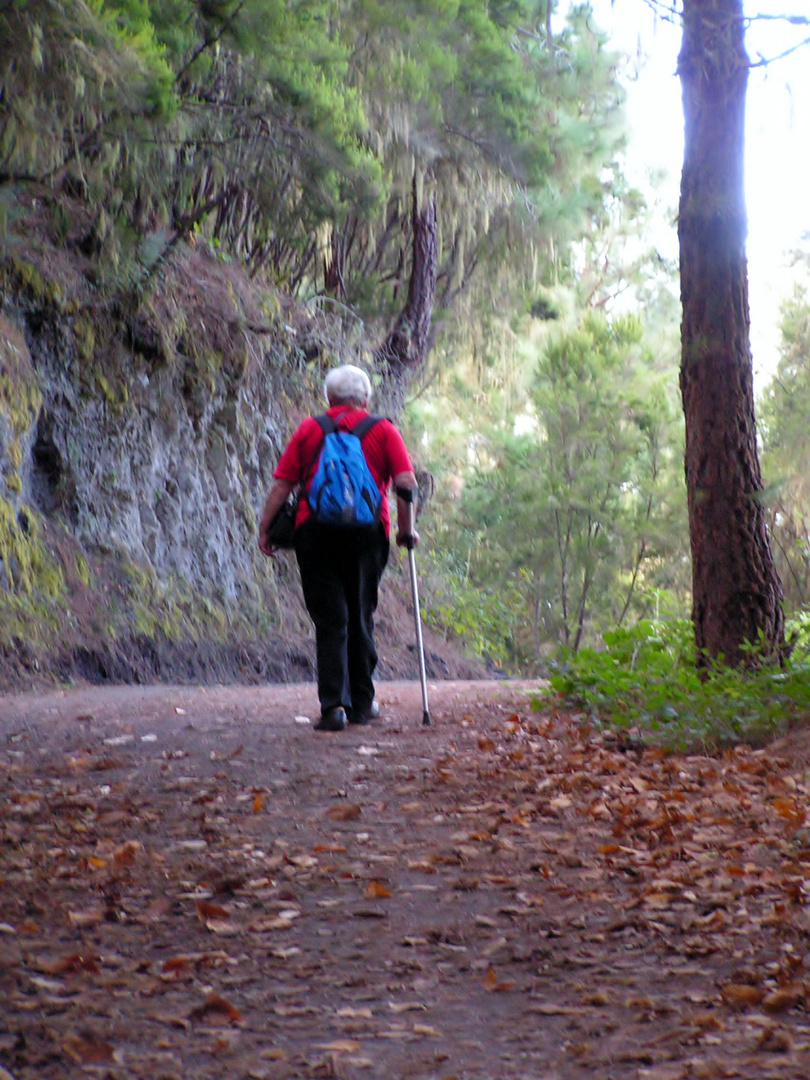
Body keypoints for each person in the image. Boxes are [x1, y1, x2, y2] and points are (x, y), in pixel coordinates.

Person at [258, 364, 418, 731]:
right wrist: (406, 531)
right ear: (365, 398)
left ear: (329, 398)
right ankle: (363, 703)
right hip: (367, 534)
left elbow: (282, 485)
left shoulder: (310, 429)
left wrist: (265, 530)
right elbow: (406, 482)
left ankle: (333, 707)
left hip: (315, 533)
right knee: (361, 613)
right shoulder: (383, 429)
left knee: (331, 618)